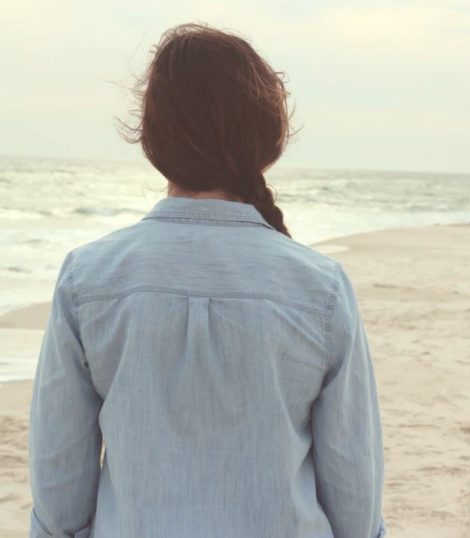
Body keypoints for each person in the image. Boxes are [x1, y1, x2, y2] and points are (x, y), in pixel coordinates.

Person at [28, 22, 386, 538]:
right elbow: (355, 498)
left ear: (153, 137)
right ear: (267, 136)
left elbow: (59, 493)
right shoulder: (321, 287)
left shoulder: (89, 278)